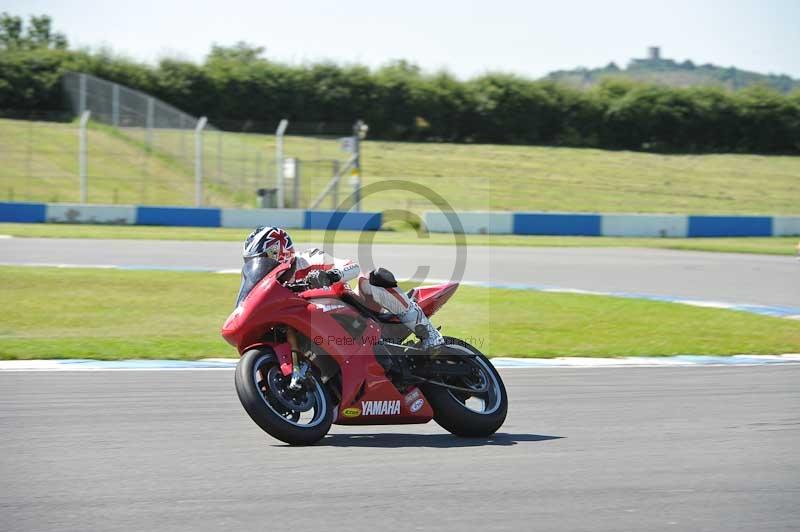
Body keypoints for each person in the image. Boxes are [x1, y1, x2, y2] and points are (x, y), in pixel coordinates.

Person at [243, 226, 444, 349]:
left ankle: (429, 334)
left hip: (355, 312)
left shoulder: (309, 258)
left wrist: (329, 275)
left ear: (277, 252)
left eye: (263, 259)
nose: (260, 266)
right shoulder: (272, 284)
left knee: (369, 280)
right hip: (318, 329)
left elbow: (352, 266)